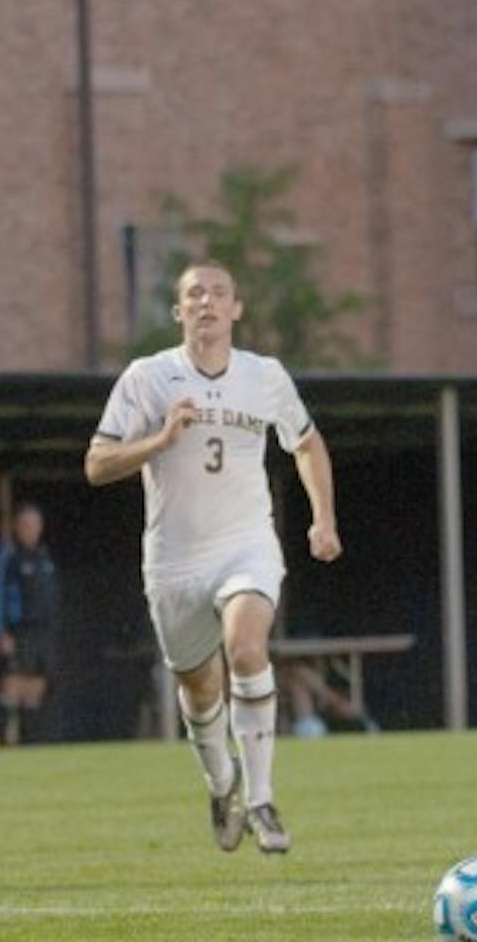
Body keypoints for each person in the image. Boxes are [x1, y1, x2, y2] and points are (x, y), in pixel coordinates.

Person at [86, 259, 342, 856]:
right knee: (201, 690)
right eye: (194, 294)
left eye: (218, 293)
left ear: (236, 309)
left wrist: (322, 517)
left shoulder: (264, 377)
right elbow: (96, 465)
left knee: (247, 648)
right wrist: (160, 440)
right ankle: (221, 784)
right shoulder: (147, 378)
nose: (207, 302)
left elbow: (306, 442)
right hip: (173, 559)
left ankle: (261, 798)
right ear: (179, 311)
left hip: (245, 543)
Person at [0, 500, 61, 745]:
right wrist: (0, 632)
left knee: (37, 683)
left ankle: (32, 741)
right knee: (14, 683)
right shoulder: (8, 555)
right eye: (25, 524)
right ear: (15, 527)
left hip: (43, 632)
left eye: (34, 524)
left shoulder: (44, 555)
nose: (30, 529)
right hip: (18, 630)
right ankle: (7, 739)